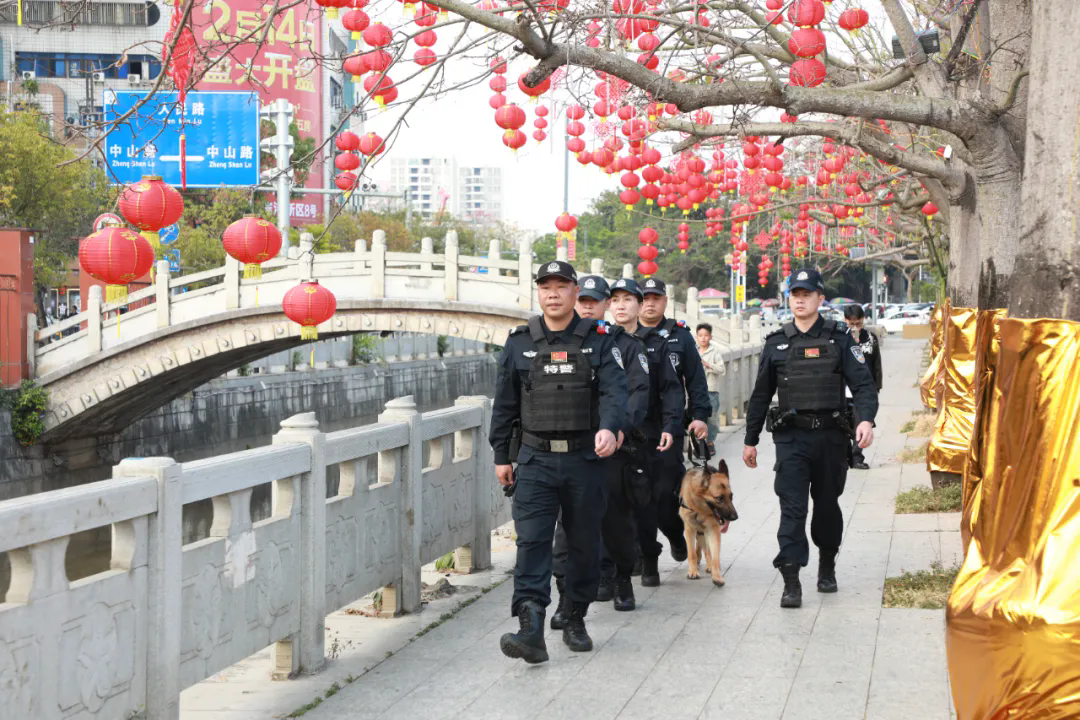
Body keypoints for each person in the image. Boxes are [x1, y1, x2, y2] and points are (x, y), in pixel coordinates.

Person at [489, 260, 628, 663]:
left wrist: (610, 427)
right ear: (539, 293)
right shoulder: (519, 342)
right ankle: (530, 624)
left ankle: (575, 615)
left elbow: (616, 394)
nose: (553, 293)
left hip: (587, 458)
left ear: (573, 293)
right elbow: (506, 403)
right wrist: (502, 454)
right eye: (545, 287)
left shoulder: (599, 340)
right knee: (532, 541)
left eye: (561, 286)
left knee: (583, 541)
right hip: (534, 459)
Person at [742, 268, 878, 609]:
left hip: (832, 438)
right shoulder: (776, 343)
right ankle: (791, 579)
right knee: (792, 508)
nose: (800, 299)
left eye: (807, 293)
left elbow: (863, 384)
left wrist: (867, 421)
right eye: (794, 294)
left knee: (827, 506)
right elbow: (760, 395)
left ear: (820, 298)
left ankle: (827, 564)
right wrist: (751, 438)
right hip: (791, 440)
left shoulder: (839, 339)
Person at [550, 275, 649, 621]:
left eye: (595, 301)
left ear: (606, 304)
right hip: (574, 451)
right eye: (584, 301)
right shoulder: (561, 342)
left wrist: (619, 428)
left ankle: (622, 577)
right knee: (568, 527)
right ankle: (566, 597)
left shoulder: (622, 344)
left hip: (612, 450)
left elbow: (636, 392)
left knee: (615, 522)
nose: (588, 307)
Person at [633, 277, 711, 584]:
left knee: (666, 495)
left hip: (668, 428)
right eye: (645, 297)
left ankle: (676, 536)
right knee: (637, 495)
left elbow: (695, 381)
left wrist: (701, 416)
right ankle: (646, 559)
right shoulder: (623, 335)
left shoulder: (679, 337)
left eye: (656, 297)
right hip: (633, 430)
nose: (650, 303)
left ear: (666, 301)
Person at [608, 277, 685, 587]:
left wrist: (671, 426)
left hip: (649, 435)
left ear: (639, 306)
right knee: (618, 502)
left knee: (652, 500)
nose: (621, 306)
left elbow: (671, 389)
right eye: (615, 300)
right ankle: (626, 566)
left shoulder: (657, 343)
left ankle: (652, 557)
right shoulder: (601, 341)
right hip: (612, 438)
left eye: (628, 300)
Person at [843, 305, 882, 470]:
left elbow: (876, 364)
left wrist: (876, 387)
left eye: (858, 323)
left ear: (863, 320)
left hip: (864, 390)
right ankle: (843, 456)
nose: (855, 327)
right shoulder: (839, 338)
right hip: (842, 390)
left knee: (862, 421)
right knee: (844, 424)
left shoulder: (871, 338)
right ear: (845, 321)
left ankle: (856, 457)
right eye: (851, 324)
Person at [695, 323, 727, 449]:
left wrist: (708, 365)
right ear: (696, 337)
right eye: (700, 335)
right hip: (696, 390)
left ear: (711, 337)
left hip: (711, 389)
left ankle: (710, 442)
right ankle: (698, 442)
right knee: (696, 417)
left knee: (712, 417)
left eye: (706, 335)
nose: (703, 338)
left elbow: (721, 369)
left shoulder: (714, 352)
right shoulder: (693, 350)